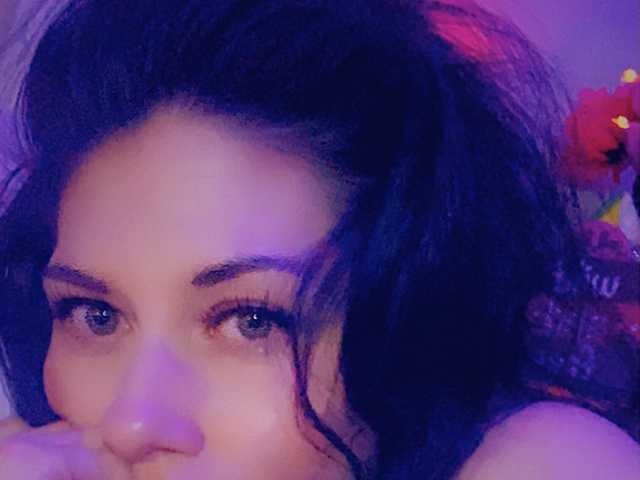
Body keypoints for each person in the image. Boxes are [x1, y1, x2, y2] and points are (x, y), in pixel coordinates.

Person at [0, 0, 638, 479]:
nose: (131, 422)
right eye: (95, 315)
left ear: (410, 325)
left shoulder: (544, 458)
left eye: (251, 320)